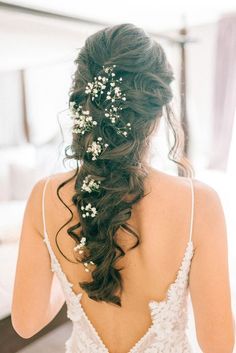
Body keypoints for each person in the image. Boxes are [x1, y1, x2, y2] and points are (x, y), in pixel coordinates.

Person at [11, 23, 235, 353]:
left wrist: (66, 274)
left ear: (84, 108)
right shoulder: (198, 204)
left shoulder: (44, 197)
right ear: (157, 114)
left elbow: (26, 323)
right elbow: (219, 344)